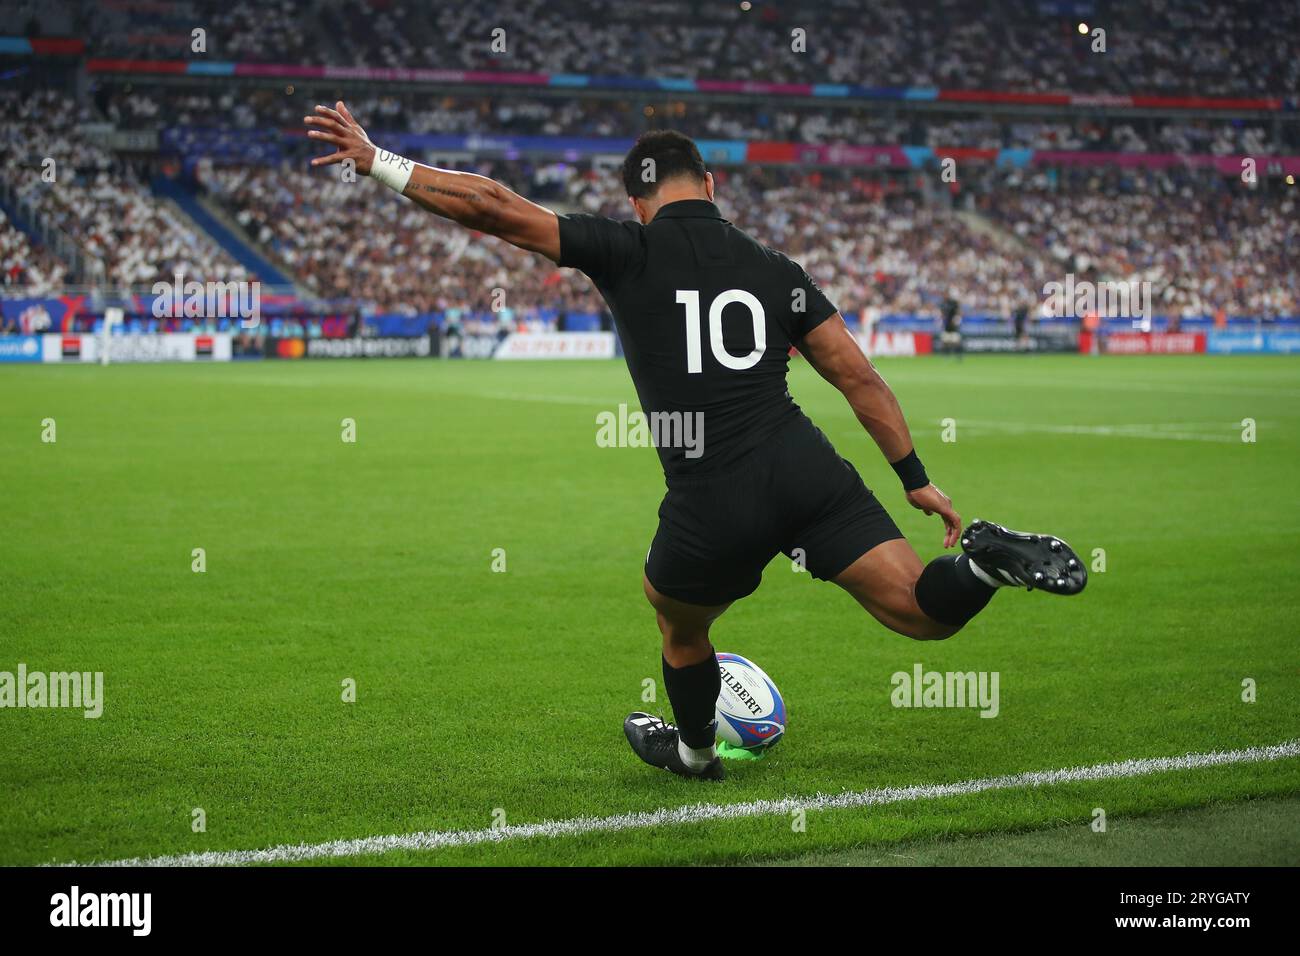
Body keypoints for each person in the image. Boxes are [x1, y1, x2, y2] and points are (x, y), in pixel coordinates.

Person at [304, 106, 1087, 781]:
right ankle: (981, 563)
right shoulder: (776, 268)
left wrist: (380, 163)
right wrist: (914, 478)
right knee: (924, 612)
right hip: (804, 464)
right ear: (712, 186)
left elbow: (494, 207)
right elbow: (859, 378)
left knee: (677, 622)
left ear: (636, 201)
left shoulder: (626, 248)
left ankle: (696, 756)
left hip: (714, 492)